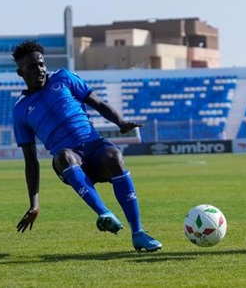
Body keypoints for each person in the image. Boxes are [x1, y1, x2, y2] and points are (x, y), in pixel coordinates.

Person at [12, 40, 161, 252]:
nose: (40, 70)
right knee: (63, 156)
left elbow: (98, 103)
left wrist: (120, 122)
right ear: (20, 73)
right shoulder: (21, 110)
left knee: (114, 156)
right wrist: (34, 204)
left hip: (94, 147)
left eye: (42, 64)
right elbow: (31, 161)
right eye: (32, 67)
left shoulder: (64, 77)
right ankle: (105, 213)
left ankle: (138, 233)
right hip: (71, 159)